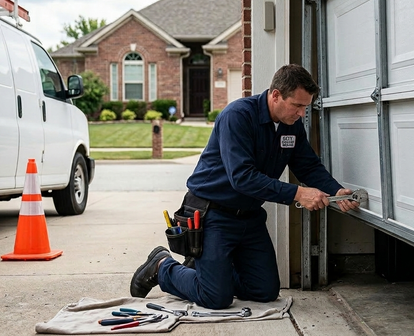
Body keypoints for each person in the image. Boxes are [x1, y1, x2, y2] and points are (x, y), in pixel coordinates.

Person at [130, 64, 360, 309]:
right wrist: (298, 193)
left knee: (265, 290)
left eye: (306, 106)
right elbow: (242, 177)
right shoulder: (237, 116)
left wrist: (336, 191)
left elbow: (308, 166)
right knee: (215, 298)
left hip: (249, 218)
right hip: (212, 214)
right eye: (297, 105)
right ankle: (162, 266)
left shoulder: (291, 125)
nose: (302, 113)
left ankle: (208, 272)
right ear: (275, 95)